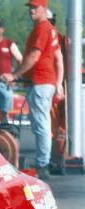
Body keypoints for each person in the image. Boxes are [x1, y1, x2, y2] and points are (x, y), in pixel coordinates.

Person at [1, 0, 64, 180]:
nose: (31, 11)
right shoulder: (49, 30)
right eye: (30, 8)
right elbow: (58, 59)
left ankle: (42, 165)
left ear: (44, 9)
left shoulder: (43, 29)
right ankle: (43, 162)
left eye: (35, 7)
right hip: (44, 82)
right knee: (41, 125)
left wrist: (14, 75)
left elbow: (35, 56)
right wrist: (58, 83)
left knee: (40, 125)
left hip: (42, 83)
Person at [47, 9, 69, 174]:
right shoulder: (44, 37)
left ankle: (59, 159)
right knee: (52, 128)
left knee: (61, 126)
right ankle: (55, 160)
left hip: (62, 86)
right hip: (51, 86)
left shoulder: (63, 40)